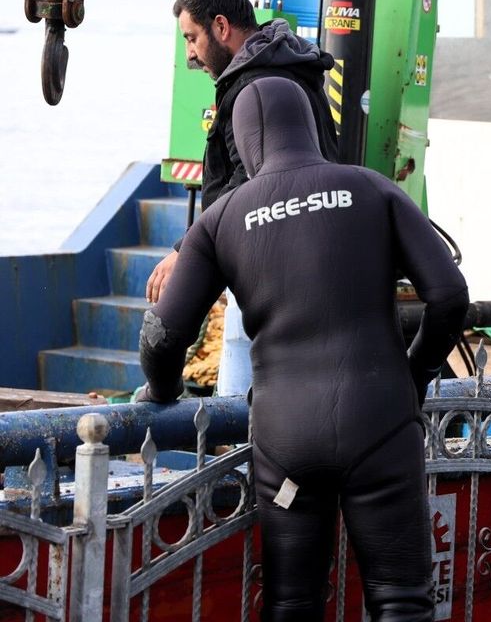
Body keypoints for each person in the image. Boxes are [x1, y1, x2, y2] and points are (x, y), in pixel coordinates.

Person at [136, 76, 469, 621]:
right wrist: (415, 373)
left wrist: (165, 390)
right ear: (312, 127)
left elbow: (164, 336)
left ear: (245, 141)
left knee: (292, 603)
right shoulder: (373, 187)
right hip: (379, 418)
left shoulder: (219, 219)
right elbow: (450, 297)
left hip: (285, 436)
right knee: (402, 602)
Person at [146, 0, 341, 304]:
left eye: (192, 38)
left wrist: (189, 249)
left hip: (276, 270)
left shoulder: (259, 88)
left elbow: (247, 182)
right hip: (296, 258)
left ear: (221, 26)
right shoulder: (285, 69)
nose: (190, 54)